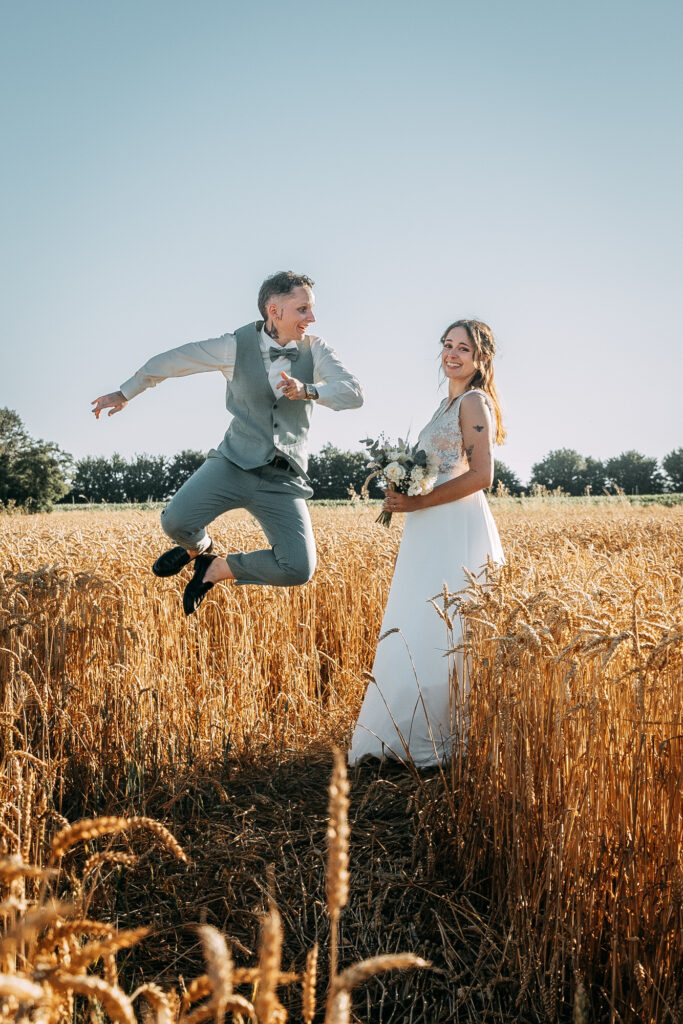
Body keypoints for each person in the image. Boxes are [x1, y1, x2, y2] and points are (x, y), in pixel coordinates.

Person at [92, 271, 363, 614]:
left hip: (283, 478)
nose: (312, 318)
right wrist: (126, 391)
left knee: (298, 568)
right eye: (303, 309)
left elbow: (354, 393)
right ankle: (199, 547)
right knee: (175, 522)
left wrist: (308, 390)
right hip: (234, 463)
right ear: (274, 310)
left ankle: (217, 568)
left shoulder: (316, 349)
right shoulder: (234, 346)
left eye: (311, 309)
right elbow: (175, 360)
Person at [348, 319, 505, 767]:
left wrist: (422, 501)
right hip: (428, 525)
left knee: (447, 628)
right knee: (418, 623)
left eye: (463, 348)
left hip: (455, 527)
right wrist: (406, 490)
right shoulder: (445, 403)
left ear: (481, 358)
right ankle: (406, 736)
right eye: (447, 345)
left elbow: (481, 476)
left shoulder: (474, 402)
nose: (452, 354)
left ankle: (442, 743)